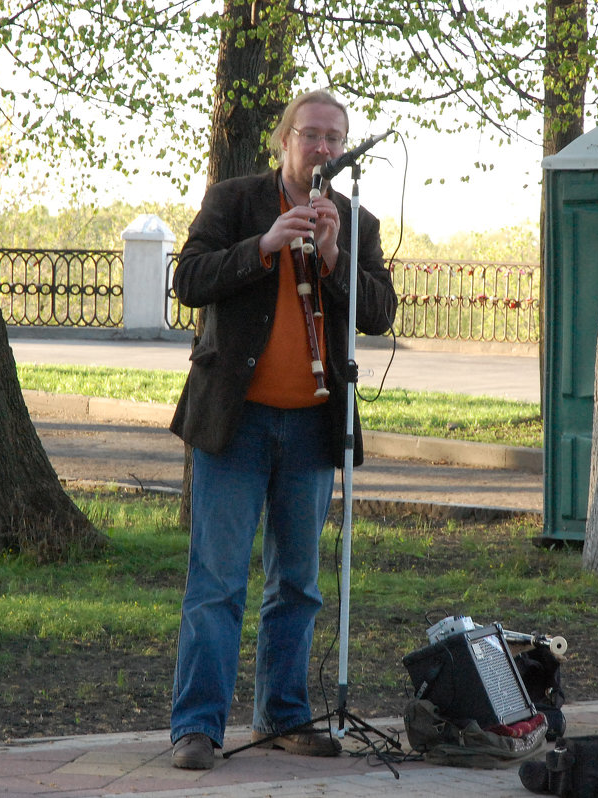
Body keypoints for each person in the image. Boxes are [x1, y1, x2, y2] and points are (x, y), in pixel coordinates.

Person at [167, 89, 398, 770]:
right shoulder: (233, 201)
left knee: (297, 582)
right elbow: (189, 279)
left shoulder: (355, 222)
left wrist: (332, 257)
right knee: (217, 582)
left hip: (310, 430)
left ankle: (285, 716)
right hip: (234, 424)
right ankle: (198, 729)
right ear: (283, 140)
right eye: (311, 135)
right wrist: (263, 246)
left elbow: (379, 313)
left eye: (334, 137)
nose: (323, 148)